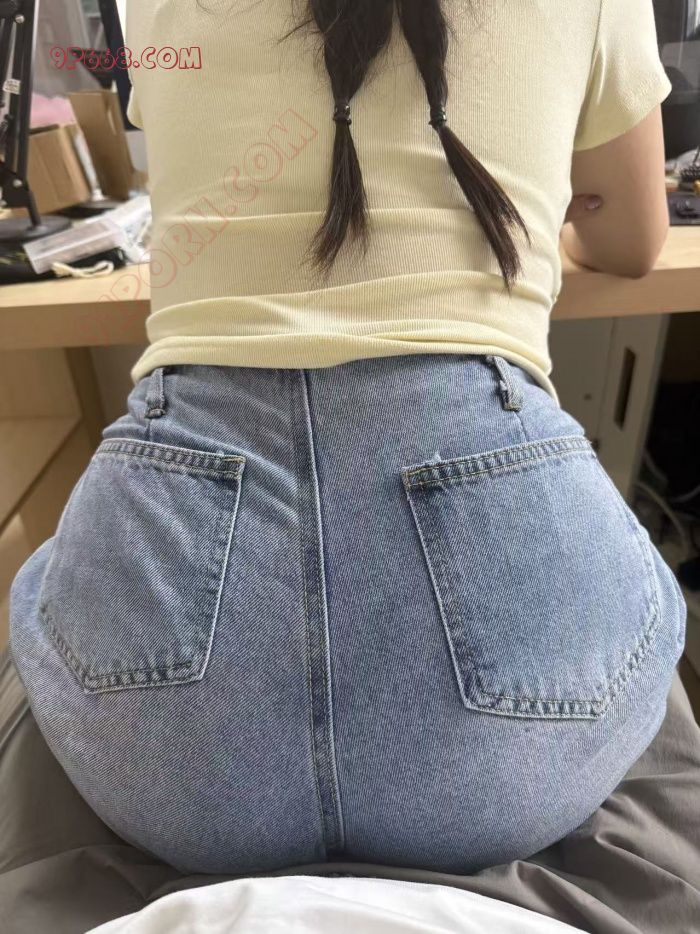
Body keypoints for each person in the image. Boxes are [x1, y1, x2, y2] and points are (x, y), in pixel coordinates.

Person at [9, 0, 686, 877]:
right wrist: (536, 210)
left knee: (44, 582)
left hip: (172, 774)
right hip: (506, 770)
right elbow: (631, 241)